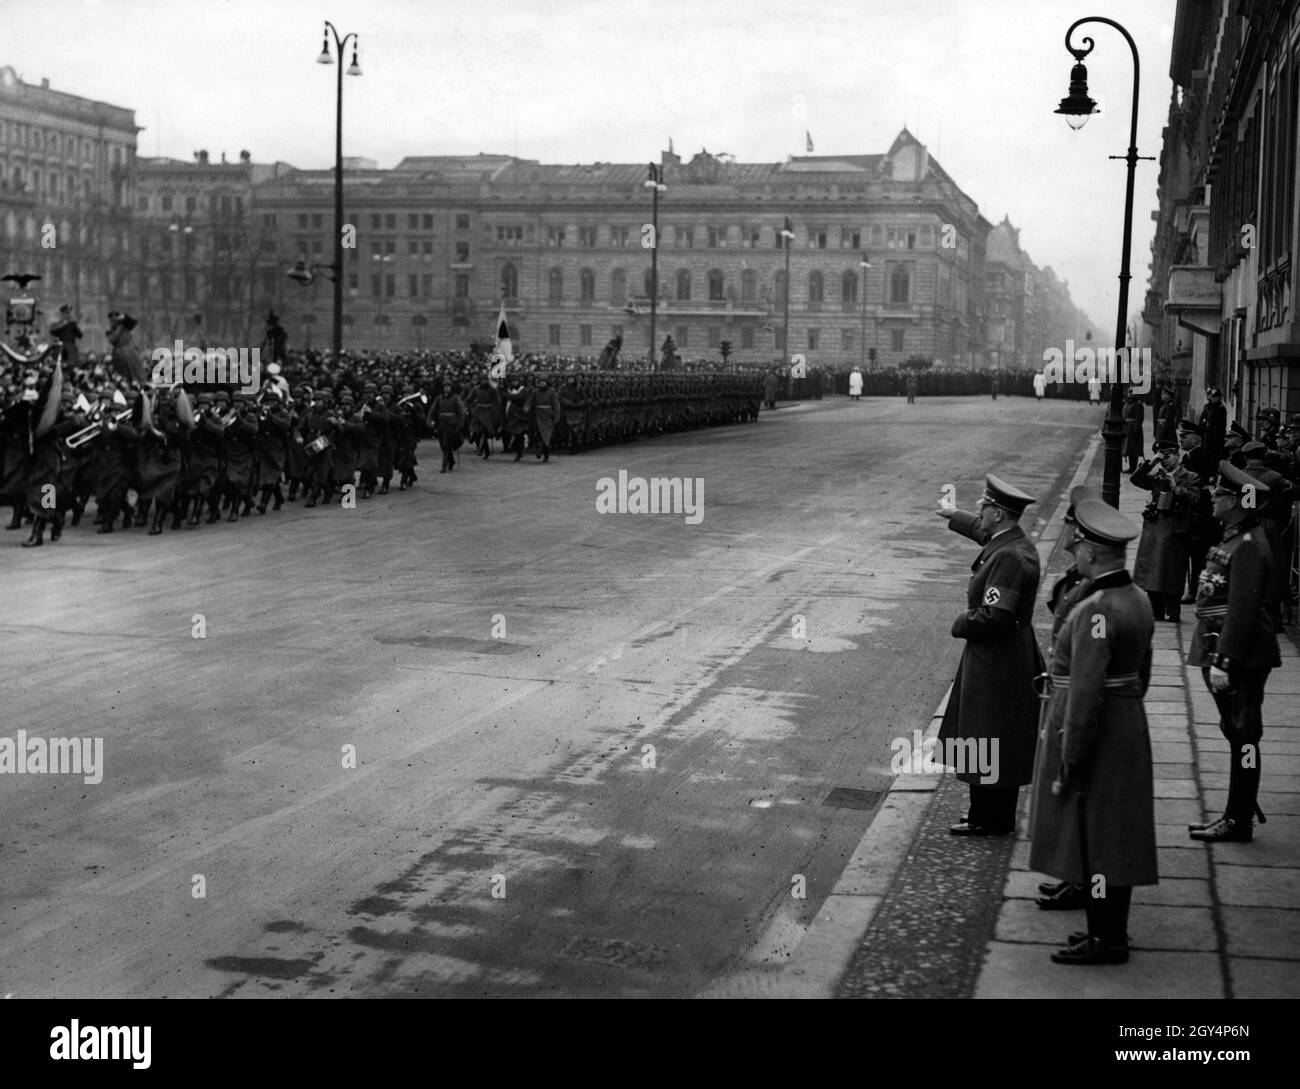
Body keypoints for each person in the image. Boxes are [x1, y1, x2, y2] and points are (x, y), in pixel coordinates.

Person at [1029, 498, 1156, 965]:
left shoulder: (1097, 610)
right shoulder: (1138, 597)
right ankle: (1105, 932)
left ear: (1091, 555)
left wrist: (1072, 756)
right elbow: (1143, 671)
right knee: (1112, 830)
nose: (1075, 549)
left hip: (1098, 730)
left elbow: (1084, 695)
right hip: (1125, 721)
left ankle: (1108, 940)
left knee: (1100, 835)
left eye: (1080, 543)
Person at [935, 474, 1043, 836]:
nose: (979, 513)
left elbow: (994, 617)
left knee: (988, 734)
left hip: (997, 657)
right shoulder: (1011, 543)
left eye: (983, 508)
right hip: (1003, 655)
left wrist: (960, 622)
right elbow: (985, 536)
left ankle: (991, 818)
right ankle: (985, 811)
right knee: (991, 734)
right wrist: (955, 515)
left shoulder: (1009, 558)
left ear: (998, 513)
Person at [1187, 462, 1281, 842]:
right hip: (1230, 650)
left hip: (1241, 657)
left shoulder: (1246, 545)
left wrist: (1225, 661)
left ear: (1238, 502)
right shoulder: (1235, 536)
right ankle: (1239, 807)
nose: (1213, 497)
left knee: (1244, 737)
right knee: (1237, 732)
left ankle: (1238, 816)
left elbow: (1242, 610)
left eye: (1220, 494)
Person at [1033, 485, 1097, 913]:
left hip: (1075, 698)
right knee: (1062, 795)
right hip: (1062, 693)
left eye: (1070, 524)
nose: (1065, 529)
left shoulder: (1095, 590)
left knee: (1078, 793)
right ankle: (1071, 875)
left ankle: (1082, 882)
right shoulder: (1077, 577)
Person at [1131, 440, 1198, 622]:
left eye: (1167, 457)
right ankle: (1156, 609)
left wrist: (1176, 487)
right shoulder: (1158, 475)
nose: (1165, 462)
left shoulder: (1189, 476)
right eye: (1162, 458)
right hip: (1155, 528)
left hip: (1176, 529)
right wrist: (1151, 463)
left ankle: (1173, 610)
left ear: (1177, 455)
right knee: (1153, 572)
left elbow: (1195, 499)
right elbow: (1136, 479)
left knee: (1172, 572)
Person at [1198, 387, 1226, 466]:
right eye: (1212, 397)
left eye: (1215, 397)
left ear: (1219, 397)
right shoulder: (1208, 407)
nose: (1213, 399)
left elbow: (1218, 426)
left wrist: (1213, 438)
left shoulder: (1220, 409)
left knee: (1214, 457)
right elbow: (1203, 421)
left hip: (1215, 438)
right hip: (1206, 436)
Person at [1122, 390, 1145, 473]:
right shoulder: (1127, 403)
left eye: (1132, 392)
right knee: (1127, 448)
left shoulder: (1138, 404)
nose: (1130, 394)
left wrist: (1136, 429)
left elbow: (1139, 418)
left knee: (1133, 449)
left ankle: (1133, 467)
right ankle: (1130, 467)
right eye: (1129, 392)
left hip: (1133, 429)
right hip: (1126, 428)